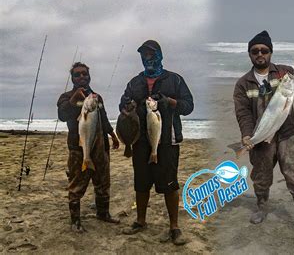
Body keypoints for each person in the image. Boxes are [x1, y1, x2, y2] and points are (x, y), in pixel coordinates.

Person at [233, 30, 294, 236]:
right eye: (255, 51)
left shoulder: (284, 73)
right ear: (249, 54)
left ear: (270, 52)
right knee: (261, 177)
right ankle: (262, 207)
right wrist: (247, 135)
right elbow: (243, 113)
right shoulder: (243, 84)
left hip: (288, 135)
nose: (260, 54)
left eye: (264, 50)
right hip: (261, 138)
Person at [119, 40, 194, 245]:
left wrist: (170, 102)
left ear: (160, 55)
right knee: (141, 183)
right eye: (144, 55)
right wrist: (127, 105)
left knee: (170, 184)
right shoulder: (134, 82)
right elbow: (122, 104)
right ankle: (140, 221)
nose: (147, 58)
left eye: (151, 54)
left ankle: (174, 227)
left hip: (167, 142)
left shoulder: (175, 80)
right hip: (140, 141)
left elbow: (189, 106)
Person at [57, 62, 120, 233]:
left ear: (89, 76)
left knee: (103, 183)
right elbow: (62, 115)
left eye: (84, 74)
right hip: (79, 149)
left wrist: (113, 136)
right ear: (72, 78)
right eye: (77, 74)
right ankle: (75, 221)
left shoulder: (96, 98)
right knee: (76, 185)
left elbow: (104, 118)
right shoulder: (66, 97)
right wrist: (73, 99)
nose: (82, 77)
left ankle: (103, 213)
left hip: (101, 148)